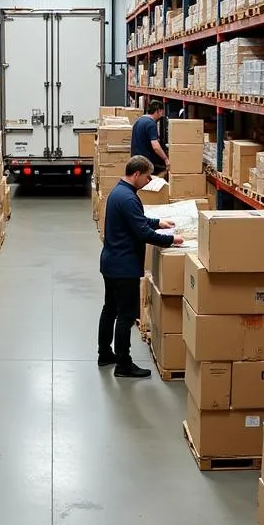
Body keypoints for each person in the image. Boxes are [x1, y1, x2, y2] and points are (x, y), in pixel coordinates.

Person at [98, 155, 182, 377]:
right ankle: (124, 364)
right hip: (124, 266)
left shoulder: (120, 192)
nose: (148, 181)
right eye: (147, 177)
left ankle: (105, 353)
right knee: (126, 315)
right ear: (136, 174)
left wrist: (158, 222)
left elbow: (135, 220)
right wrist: (171, 240)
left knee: (110, 308)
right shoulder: (128, 198)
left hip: (111, 261)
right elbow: (142, 233)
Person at [131, 101, 169, 173]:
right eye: (161, 112)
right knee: (164, 170)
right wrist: (165, 159)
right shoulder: (151, 124)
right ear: (157, 111)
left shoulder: (139, 121)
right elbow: (155, 146)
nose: (161, 115)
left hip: (135, 160)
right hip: (144, 163)